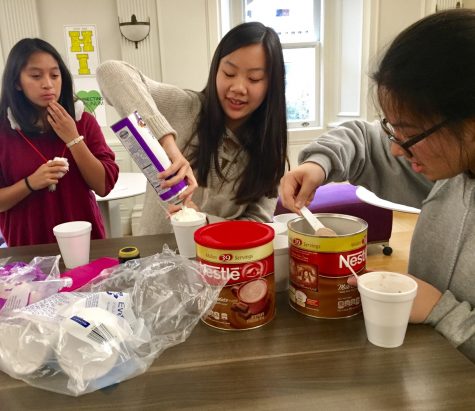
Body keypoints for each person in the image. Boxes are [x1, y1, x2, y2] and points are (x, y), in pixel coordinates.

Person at [279, 9, 475, 362]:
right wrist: (318, 164)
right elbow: (364, 140)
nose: (397, 149)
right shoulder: (457, 169)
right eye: (393, 128)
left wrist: (442, 312)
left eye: (411, 134)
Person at [97, 21, 287, 234]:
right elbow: (111, 72)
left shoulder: (269, 150)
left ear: (271, 84)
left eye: (254, 78)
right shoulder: (185, 106)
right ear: (216, 70)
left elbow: (258, 224)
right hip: (154, 257)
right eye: (229, 73)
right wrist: (167, 143)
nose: (238, 88)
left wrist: (202, 221)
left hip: (220, 263)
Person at [0, 38, 119, 246]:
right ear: (17, 82)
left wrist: (74, 138)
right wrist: (30, 183)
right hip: (28, 245)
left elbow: (103, 185)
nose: (48, 84)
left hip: (84, 241)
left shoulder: (83, 121)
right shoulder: (4, 130)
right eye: (36, 76)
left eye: (55, 75)